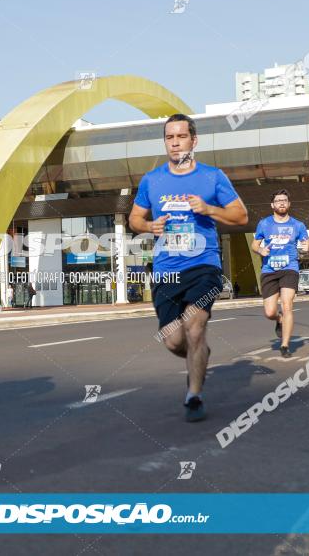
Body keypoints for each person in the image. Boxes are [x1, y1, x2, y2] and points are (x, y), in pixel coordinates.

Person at [129, 113, 248, 421]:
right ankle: (200, 356)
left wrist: (209, 208)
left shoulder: (212, 177)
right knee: (173, 340)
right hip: (166, 269)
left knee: (195, 327)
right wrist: (149, 226)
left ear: (194, 141)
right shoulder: (152, 180)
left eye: (181, 136)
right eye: (170, 137)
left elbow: (241, 216)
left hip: (203, 265)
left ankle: (193, 395)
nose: (175, 142)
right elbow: (134, 219)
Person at [251, 189, 309, 358]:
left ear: (289, 204)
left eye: (285, 200)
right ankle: (279, 320)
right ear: (272, 205)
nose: (282, 203)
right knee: (269, 312)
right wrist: (260, 250)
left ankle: (285, 345)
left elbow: (308, 245)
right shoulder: (264, 224)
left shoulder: (297, 225)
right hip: (269, 269)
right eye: (278, 201)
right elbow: (254, 245)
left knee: (287, 305)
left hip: (289, 268)